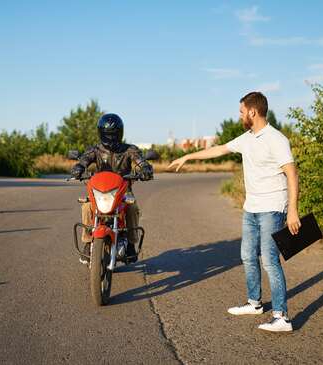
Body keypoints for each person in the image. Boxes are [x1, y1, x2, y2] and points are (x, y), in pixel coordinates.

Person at [168, 92, 300, 332]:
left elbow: (292, 174)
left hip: (272, 208)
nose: (239, 116)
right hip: (251, 208)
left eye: (241, 111)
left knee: (270, 260)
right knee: (248, 256)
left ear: (252, 111)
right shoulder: (247, 138)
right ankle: (255, 303)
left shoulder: (276, 139)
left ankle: (282, 317)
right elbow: (218, 150)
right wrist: (188, 156)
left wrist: (292, 210)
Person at [71, 113, 153, 264]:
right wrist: (78, 167)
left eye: (113, 134)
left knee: (132, 207)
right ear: (101, 133)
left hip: (123, 191)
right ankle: (88, 241)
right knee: (87, 206)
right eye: (107, 134)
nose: (110, 138)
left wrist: (146, 168)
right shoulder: (95, 150)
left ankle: (130, 244)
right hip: (100, 190)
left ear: (120, 133)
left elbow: (140, 161)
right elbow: (83, 160)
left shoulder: (130, 150)